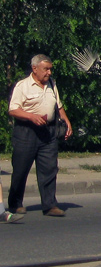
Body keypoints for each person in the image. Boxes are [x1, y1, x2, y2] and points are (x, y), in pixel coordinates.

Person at [7, 54, 72, 217]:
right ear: (34, 69)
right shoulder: (23, 86)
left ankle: (50, 205)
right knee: (20, 170)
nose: (49, 72)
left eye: (50, 69)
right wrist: (31, 116)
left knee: (49, 168)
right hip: (26, 131)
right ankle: (15, 204)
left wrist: (66, 120)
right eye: (46, 69)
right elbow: (13, 109)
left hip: (47, 132)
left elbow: (58, 105)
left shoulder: (51, 84)